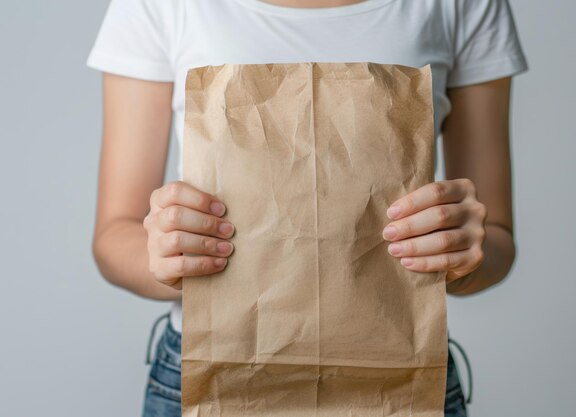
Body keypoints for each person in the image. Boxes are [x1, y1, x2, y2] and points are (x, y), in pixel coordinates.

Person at [86, 0, 528, 415]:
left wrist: (462, 254)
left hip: (396, 379)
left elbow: (497, 238)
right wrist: (161, 256)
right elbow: (115, 234)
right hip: (217, 375)